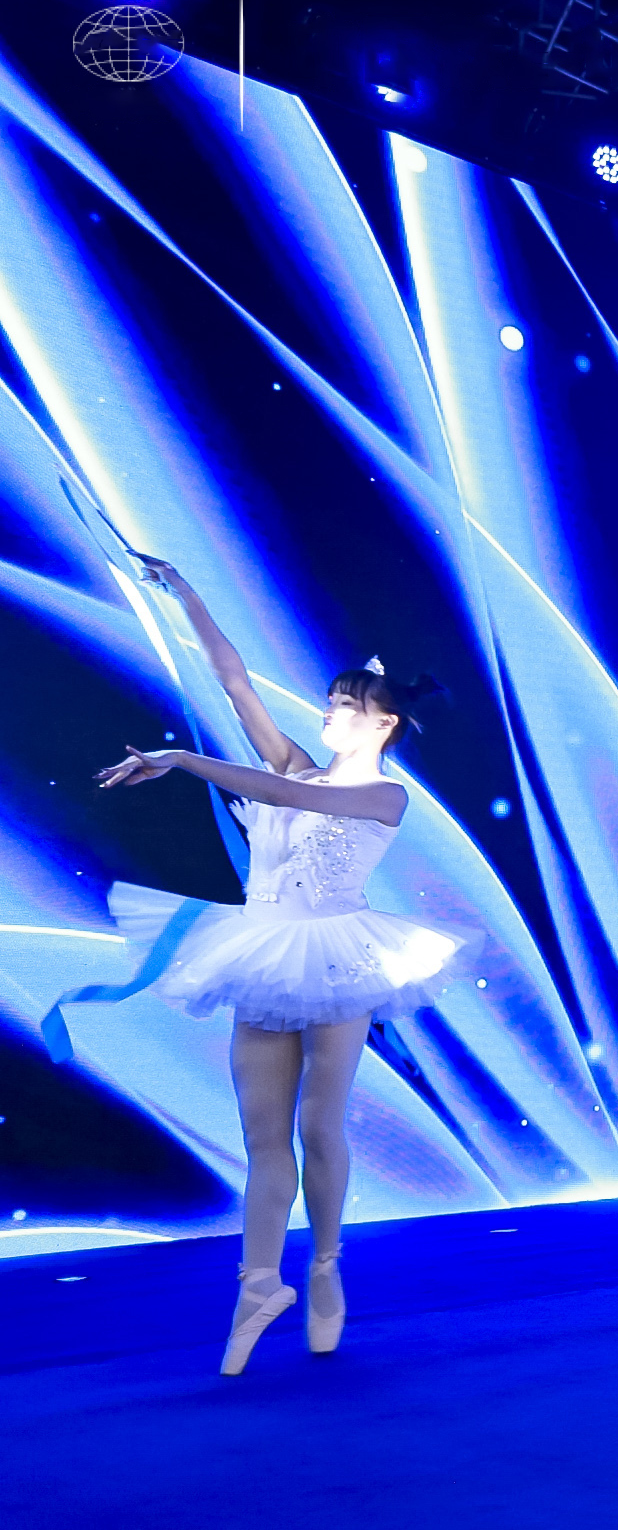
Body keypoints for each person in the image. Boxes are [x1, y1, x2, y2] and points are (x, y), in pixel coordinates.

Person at [96, 556, 470, 1375]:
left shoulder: (384, 796)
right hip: (264, 952)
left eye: (347, 705)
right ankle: (258, 1284)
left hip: (336, 956)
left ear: (384, 725)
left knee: (317, 1127)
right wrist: (186, 591)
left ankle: (327, 1269)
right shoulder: (298, 765)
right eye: (331, 701)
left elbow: (295, 800)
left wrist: (182, 761)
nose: (331, 711)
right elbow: (235, 683)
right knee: (264, 1138)